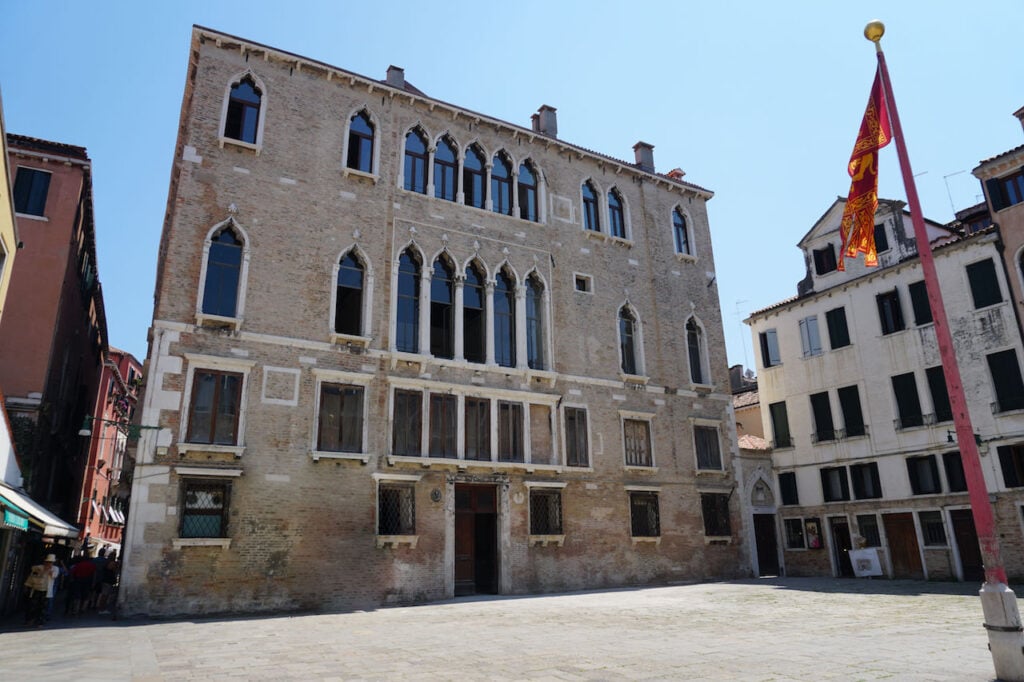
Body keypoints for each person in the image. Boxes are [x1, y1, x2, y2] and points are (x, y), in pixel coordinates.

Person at [23, 554, 58, 627]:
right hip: (36, 589)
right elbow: (32, 572)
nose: (49, 563)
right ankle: (30, 620)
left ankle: (40, 622)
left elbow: (54, 575)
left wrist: (49, 570)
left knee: (43, 607)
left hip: (46, 591)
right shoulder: (39, 567)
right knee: (32, 606)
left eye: (51, 562)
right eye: (48, 562)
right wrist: (27, 586)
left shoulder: (55, 568)